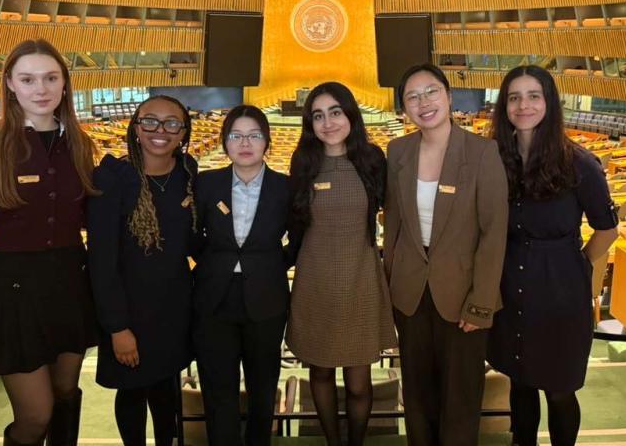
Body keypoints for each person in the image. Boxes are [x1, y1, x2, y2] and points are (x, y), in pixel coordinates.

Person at [0, 39, 99, 446]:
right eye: (29, 79)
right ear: (10, 85)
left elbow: (93, 219)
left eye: (51, 78)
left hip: (71, 282)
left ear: (65, 84)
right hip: (12, 291)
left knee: (67, 393)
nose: (41, 88)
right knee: (35, 416)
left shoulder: (80, 145)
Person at [487, 65, 618, 446]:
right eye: (514, 97)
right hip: (509, 286)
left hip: (560, 292)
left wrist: (575, 264)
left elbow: (606, 228)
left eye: (533, 96)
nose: (522, 105)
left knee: (559, 389)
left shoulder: (580, 163)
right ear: (504, 105)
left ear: (549, 102)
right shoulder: (495, 159)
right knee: (520, 381)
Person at [384, 63, 508, 446]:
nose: (423, 102)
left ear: (449, 96)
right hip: (410, 294)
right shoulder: (398, 150)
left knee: (460, 399)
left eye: (431, 91)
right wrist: (391, 293)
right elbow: (393, 228)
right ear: (404, 108)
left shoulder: (483, 152)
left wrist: (482, 304)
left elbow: (493, 233)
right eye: (412, 97)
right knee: (417, 398)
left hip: (463, 296)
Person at [286, 82, 396, 446]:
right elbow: (294, 225)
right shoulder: (303, 163)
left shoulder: (372, 160)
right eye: (318, 115)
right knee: (319, 371)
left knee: (359, 380)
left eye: (335, 112)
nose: (327, 122)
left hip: (361, 278)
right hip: (315, 279)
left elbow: (393, 217)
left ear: (350, 114)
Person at [87, 95, 197, 446]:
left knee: (166, 392)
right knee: (132, 392)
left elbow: (194, 242)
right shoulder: (113, 178)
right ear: (136, 128)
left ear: (183, 133)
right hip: (129, 312)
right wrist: (117, 327)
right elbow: (101, 261)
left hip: (172, 310)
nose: (159, 131)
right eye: (150, 121)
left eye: (171, 123)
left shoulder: (187, 173)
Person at [192, 105, 290, 446]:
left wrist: (272, 263)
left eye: (254, 135)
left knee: (263, 391)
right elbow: (192, 236)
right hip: (214, 298)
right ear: (224, 142)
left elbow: (300, 238)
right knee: (219, 391)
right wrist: (214, 263)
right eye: (236, 135)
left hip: (266, 298)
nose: (244, 143)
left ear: (266, 142)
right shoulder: (206, 183)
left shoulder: (285, 187)